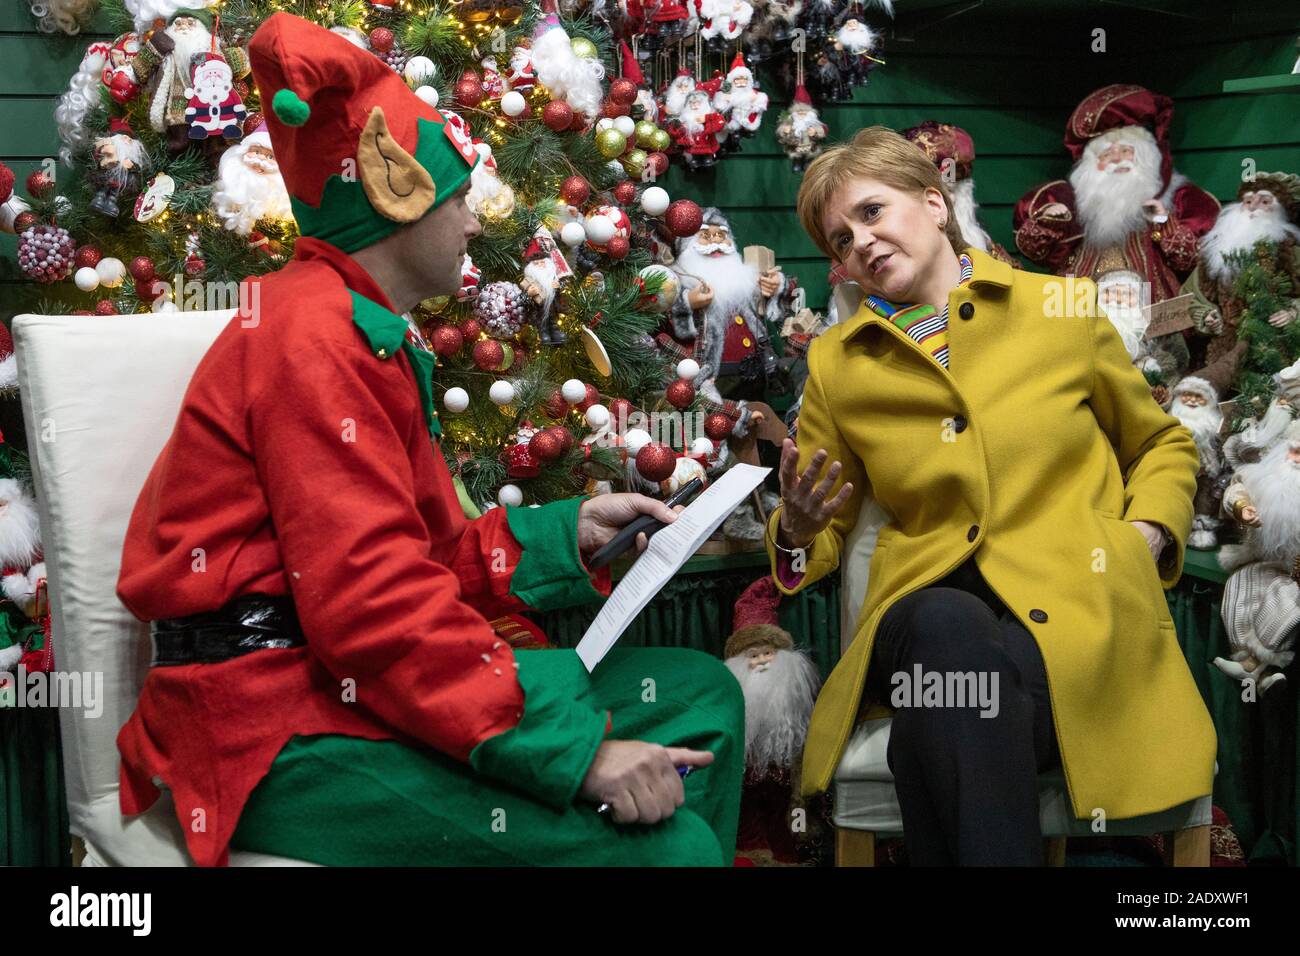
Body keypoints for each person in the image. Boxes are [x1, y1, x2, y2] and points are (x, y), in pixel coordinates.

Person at [113, 12, 743, 868]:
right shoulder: (313, 341)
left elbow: (409, 556)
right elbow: (370, 609)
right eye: (460, 199)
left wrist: (569, 532)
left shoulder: (366, 330)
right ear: (395, 197)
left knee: (703, 696)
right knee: (673, 853)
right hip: (272, 721)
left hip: (341, 673)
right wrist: (577, 754)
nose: (476, 225)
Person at [768, 125, 1215, 865]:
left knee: (957, 710)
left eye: (873, 212)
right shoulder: (837, 365)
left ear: (934, 203)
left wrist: (1149, 536)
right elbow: (816, 541)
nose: (862, 245)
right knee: (947, 628)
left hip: (1073, 615)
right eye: (842, 240)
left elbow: (1160, 442)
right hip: (921, 617)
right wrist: (794, 528)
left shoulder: (1059, 312)